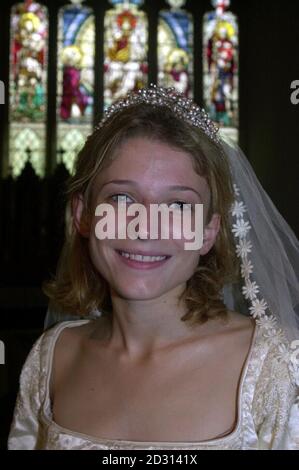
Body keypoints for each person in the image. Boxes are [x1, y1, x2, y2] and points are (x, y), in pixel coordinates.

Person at [8, 85, 299, 450]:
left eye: (177, 205)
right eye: (121, 197)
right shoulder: (51, 359)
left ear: (209, 232)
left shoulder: (277, 369)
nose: (145, 225)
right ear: (82, 214)